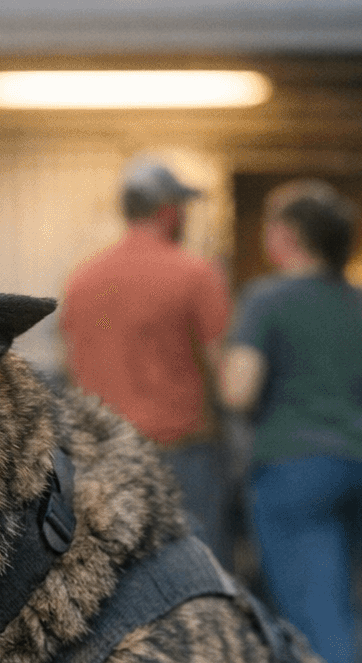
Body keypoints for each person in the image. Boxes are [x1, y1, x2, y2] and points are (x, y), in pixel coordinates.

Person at [219, 179, 362, 663]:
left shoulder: (266, 299)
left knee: (315, 615)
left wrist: (223, 361)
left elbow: (239, 391)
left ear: (289, 236)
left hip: (296, 471)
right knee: (339, 603)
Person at [61, 158, 233, 566]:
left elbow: (71, 369)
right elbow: (225, 374)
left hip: (104, 458)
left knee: (118, 575)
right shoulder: (196, 273)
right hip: (181, 457)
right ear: (170, 210)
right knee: (197, 574)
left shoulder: (81, 280)